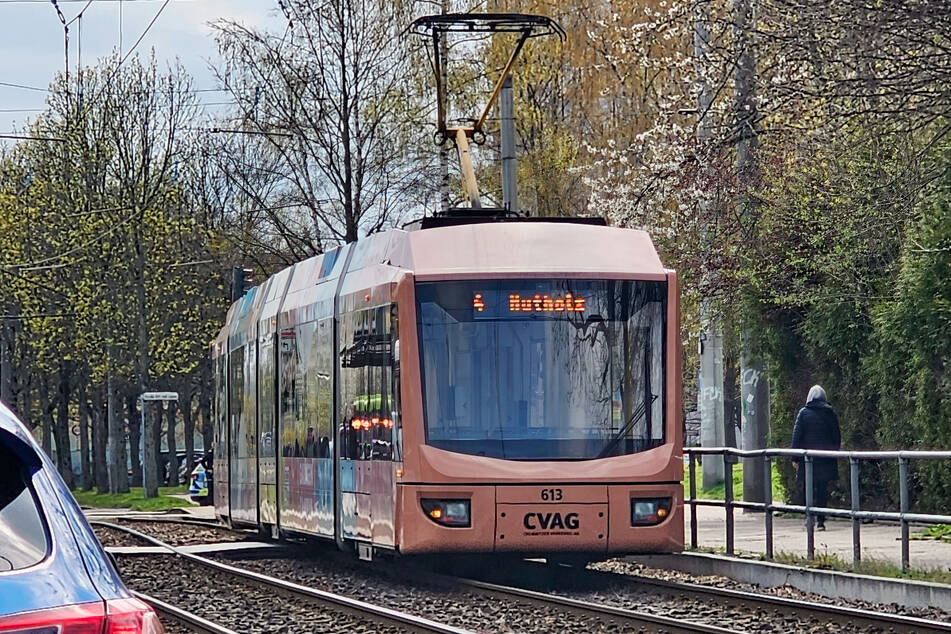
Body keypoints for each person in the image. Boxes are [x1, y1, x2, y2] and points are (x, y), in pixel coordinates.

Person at [791, 385, 841, 531]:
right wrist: (834, 453)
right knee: (822, 489)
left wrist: (795, 458)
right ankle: (821, 521)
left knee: (808, 489)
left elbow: (797, 436)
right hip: (825, 459)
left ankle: (809, 518)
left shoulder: (803, 413)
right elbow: (836, 436)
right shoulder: (830, 413)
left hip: (808, 460)